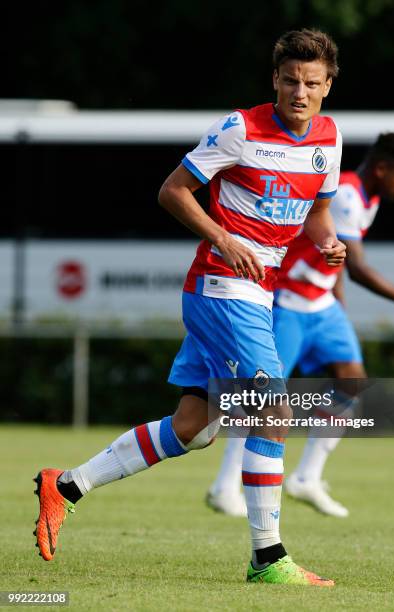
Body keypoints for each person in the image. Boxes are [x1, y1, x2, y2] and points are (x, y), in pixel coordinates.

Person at [33, 29, 346, 585]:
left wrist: (327, 241)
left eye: (312, 83)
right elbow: (172, 191)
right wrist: (223, 238)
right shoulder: (240, 128)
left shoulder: (330, 137)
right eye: (291, 80)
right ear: (274, 80)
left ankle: (67, 485)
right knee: (273, 410)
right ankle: (268, 559)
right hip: (222, 286)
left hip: (256, 293)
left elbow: (318, 213)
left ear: (328, 86)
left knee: (193, 427)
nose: (300, 91)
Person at [207, 132, 394, 519]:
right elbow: (359, 269)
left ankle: (307, 477)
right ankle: (224, 484)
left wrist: (338, 303)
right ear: (382, 170)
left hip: (321, 304)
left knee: (352, 379)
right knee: (263, 396)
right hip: (290, 302)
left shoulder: (370, 199)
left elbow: (334, 259)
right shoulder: (347, 195)